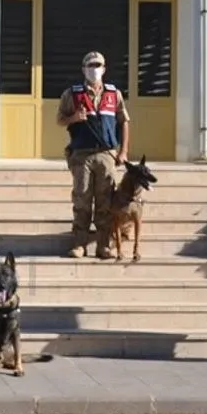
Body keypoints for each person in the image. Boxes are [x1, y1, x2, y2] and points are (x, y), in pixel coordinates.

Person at [55, 51, 130, 259]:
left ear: (104, 69)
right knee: (82, 199)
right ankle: (80, 244)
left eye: (97, 66)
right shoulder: (72, 94)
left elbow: (124, 121)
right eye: (90, 66)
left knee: (105, 200)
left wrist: (123, 151)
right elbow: (60, 119)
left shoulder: (114, 93)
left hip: (106, 153)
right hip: (81, 154)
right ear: (83, 69)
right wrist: (74, 118)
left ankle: (103, 244)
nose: (94, 69)